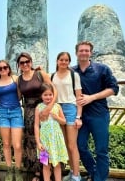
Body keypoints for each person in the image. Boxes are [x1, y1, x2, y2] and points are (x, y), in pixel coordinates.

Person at [73, 41, 119, 181]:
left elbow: (114, 89)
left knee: (101, 150)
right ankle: (94, 173)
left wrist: (92, 97)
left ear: (91, 53)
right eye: (81, 50)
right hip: (80, 116)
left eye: (87, 50)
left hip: (99, 114)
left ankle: (100, 178)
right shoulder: (72, 71)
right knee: (80, 146)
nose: (84, 53)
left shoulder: (102, 69)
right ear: (76, 53)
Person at [17, 52, 57, 181]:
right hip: (29, 112)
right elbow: (18, 97)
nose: (25, 64)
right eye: (22, 62)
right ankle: (39, 172)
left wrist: (49, 107)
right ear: (18, 65)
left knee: (45, 140)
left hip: (42, 109)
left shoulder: (40, 74)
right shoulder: (19, 79)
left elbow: (53, 90)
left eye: (27, 61)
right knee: (33, 142)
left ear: (31, 62)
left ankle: (48, 169)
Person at [51, 52, 83, 181]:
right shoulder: (52, 76)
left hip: (70, 108)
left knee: (72, 145)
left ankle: (76, 175)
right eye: (61, 60)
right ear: (57, 61)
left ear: (69, 62)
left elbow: (79, 97)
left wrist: (78, 117)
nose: (64, 62)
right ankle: (71, 171)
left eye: (66, 60)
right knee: (64, 144)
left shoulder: (74, 75)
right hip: (58, 108)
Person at [0, 60, 23, 181]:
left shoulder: (15, 78)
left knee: (16, 145)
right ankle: (9, 169)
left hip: (16, 111)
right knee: (6, 144)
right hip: (2, 113)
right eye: (0, 68)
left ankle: (18, 169)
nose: (3, 70)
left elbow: (23, 89)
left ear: (9, 68)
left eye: (5, 67)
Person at [34, 83, 68, 181]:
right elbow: (36, 125)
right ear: (41, 96)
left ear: (53, 95)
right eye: (45, 95)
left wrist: (57, 117)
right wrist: (38, 142)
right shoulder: (39, 108)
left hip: (56, 141)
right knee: (45, 164)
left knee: (57, 164)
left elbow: (64, 121)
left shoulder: (57, 107)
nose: (48, 97)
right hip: (44, 141)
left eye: (50, 94)